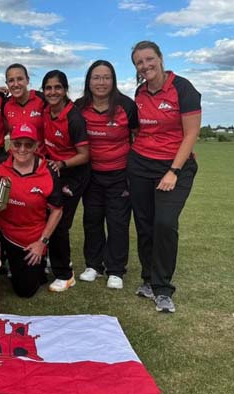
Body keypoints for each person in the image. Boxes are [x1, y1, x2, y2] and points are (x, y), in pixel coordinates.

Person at [129, 41, 201, 313]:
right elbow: (140, 131)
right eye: (139, 62)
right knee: (145, 224)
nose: (145, 65)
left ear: (160, 58)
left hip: (174, 167)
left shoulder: (183, 88)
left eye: (149, 59)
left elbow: (191, 133)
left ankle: (163, 289)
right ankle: (148, 280)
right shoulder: (140, 92)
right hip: (140, 165)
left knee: (165, 222)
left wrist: (174, 170)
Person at [75, 60, 139, 290]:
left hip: (120, 174)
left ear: (113, 80)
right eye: (96, 77)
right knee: (92, 220)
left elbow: (138, 136)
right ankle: (93, 265)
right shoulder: (79, 106)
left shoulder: (127, 106)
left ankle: (115, 270)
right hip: (91, 175)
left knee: (118, 222)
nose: (101, 82)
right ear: (88, 81)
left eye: (106, 77)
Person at [0, 123, 63, 297]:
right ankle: (3, 258)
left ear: (37, 146)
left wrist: (42, 242)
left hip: (30, 238)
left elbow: (57, 210)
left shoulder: (48, 170)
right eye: (17, 144)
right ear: (11, 145)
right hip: (2, 231)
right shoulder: (0, 165)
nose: (22, 149)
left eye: (28, 144)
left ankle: (35, 264)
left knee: (25, 291)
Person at [41, 70, 90, 292]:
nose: (53, 92)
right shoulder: (45, 110)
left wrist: (61, 164)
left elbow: (84, 155)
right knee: (46, 215)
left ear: (65, 90)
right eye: (48, 88)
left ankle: (66, 274)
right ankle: (58, 259)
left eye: (57, 87)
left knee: (58, 219)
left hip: (74, 173)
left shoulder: (74, 117)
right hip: (56, 171)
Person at [3, 63, 46, 150]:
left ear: (27, 80)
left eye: (20, 79)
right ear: (6, 83)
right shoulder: (5, 104)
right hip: (16, 159)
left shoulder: (42, 99)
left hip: (40, 158)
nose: (16, 84)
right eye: (11, 80)